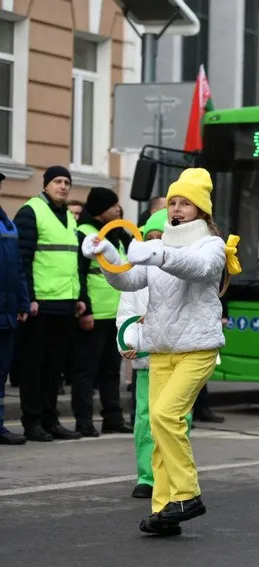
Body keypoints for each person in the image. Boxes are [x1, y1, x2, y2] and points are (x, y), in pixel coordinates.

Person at [82, 167, 241, 536]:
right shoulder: (159, 250)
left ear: (201, 211)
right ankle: (164, 507)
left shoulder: (211, 246)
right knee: (157, 424)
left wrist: (157, 253)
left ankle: (187, 494)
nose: (178, 209)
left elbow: (199, 269)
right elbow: (129, 279)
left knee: (167, 417)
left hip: (197, 348)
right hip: (161, 349)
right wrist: (106, 255)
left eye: (186, 203)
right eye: (173, 202)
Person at [117, 209, 193, 499]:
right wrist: (127, 341)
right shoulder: (136, 271)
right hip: (146, 358)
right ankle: (147, 477)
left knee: (175, 419)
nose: (156, 243)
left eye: (161, 237)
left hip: (179, 356)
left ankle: (174, 474)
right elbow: (126, 312)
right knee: (145, 418)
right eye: (150, 238)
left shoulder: (183, 269)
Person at [13, 166, 84, 441]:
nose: (63, 186)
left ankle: (50, 419)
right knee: (34, 367)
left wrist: (78, 297)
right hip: (40, 304)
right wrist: (27, 297)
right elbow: (23, 259)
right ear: (46, 185)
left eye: (67, 182)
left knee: (54, 369)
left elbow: (72, 261)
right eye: (57, 181)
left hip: (65, 302)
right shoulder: (31, 211)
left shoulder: (68, 215)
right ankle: (32, 422)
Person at [72, 187, 134, 437]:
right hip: (94, 313)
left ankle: (112, 417)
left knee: (111, 369)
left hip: (115, 313)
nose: (117, 209)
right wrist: (84, 307)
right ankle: (84, 420)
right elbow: (79, 274)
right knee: (86, 370)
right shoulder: (85, 234)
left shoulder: (118, 235)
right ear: (100, 209)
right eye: (112, 206)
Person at [0, 171, 29, 445]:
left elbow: (18, 268)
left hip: (7, 311)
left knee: (1, 373)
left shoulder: (7, 223)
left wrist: (22, 301)